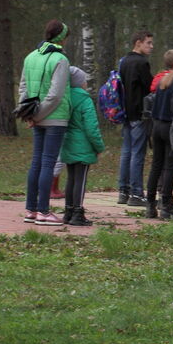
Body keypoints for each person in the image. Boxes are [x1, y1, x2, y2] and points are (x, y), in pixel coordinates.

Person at [19, 20, 72, 225]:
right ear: (62, 38)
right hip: (55, 117)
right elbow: (56, 95)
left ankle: (31, 209)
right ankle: (43, 211)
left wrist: (29, 114)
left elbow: (22, 87)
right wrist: (39, 115)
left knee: (37, 162)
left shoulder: (31, 56)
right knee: (48, 162)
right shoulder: (60, 59)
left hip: (36, 116)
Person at [60, 66, 105, 227]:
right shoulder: (85, 100)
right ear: (80, 83)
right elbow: (91, 128)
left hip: (67, 142)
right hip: (83, 145)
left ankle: (68, 211)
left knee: (71, 178)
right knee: (81, 179)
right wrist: (99, 147)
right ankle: (78, 212)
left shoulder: (65, 98)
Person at [148, 50, 173, 220]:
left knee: (156, 165)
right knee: (171, 167)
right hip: (170, 128)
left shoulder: (162, 82)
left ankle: (150, 204)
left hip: (156, 126)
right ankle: (167, 205)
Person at [117, 30, 155, 206]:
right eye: (148, 43)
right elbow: (150, 86)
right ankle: (136, 193)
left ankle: (123, 191)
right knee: (137, 153)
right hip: (139, 112)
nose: (151, 47)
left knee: (126, 151)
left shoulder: (124, 61)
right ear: (138, 42)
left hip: (125, 111)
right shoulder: (141, 63)